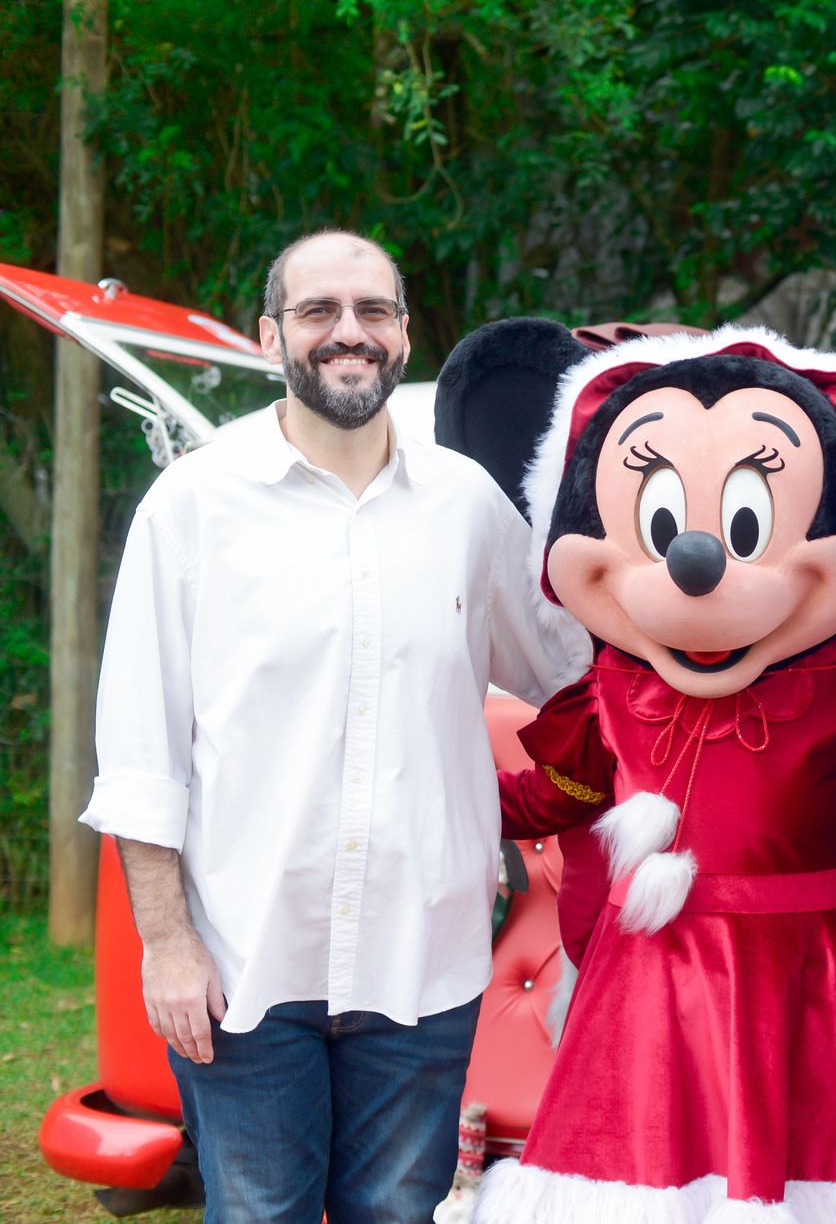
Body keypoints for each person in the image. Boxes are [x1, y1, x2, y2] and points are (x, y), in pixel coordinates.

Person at [81, 230, 589, 1224]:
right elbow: (142, 753)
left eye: (373, 311)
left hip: (423, 958)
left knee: (397, 1213)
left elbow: (569, 667)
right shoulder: (191, 505)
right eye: (318, 311)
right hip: (243, 960)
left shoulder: (467, 506)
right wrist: (168, 943)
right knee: (260, 1210)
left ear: (404, 333)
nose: (348, 332)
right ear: (271, 335)